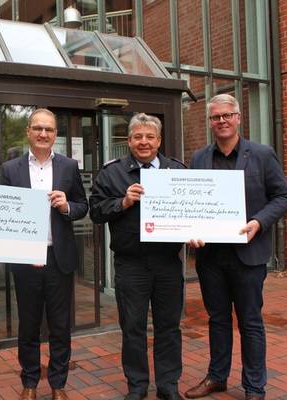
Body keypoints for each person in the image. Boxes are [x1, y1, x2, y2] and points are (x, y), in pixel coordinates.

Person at [184, 94, 287, 400]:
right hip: (210, 257)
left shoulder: (261, 154)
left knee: (250, 322)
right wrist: (191, 230)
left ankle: (254, 387)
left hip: (248, 254)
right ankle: (217, 377)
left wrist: (259, 221)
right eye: (215, 117)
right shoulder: (199, 158)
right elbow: (191, 202)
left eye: (227, 115)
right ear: (210, 122)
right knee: (217, 319)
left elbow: (283, 196)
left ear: (238, 118)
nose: (222, 121)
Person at [89, 113, 185, 400]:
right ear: (129, 141)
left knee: (169, 326)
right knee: (132, 327)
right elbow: (95, 211)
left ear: (159, 140)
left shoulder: (177, 170)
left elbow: (192, 211)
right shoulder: (112, 173)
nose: (144, 142)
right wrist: (123, 202)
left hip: (168, 264)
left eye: (150, 136)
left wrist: (197, 230)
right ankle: (137, 385)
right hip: (131, 264)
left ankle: (168, 385)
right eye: (138, 137)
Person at [0, 108, 88, 400]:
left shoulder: (69, 166)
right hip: (26, 259)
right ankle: (29, 382)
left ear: (55, 135)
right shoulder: (10, 169)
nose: (42, 133)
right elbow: (2, 213)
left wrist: (67, 206)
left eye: (48, 129)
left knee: (60, 326)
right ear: (28, 131)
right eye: (37, 128)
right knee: (28, 325)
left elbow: (82, 206)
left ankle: (58, 383)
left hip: (58, 258)